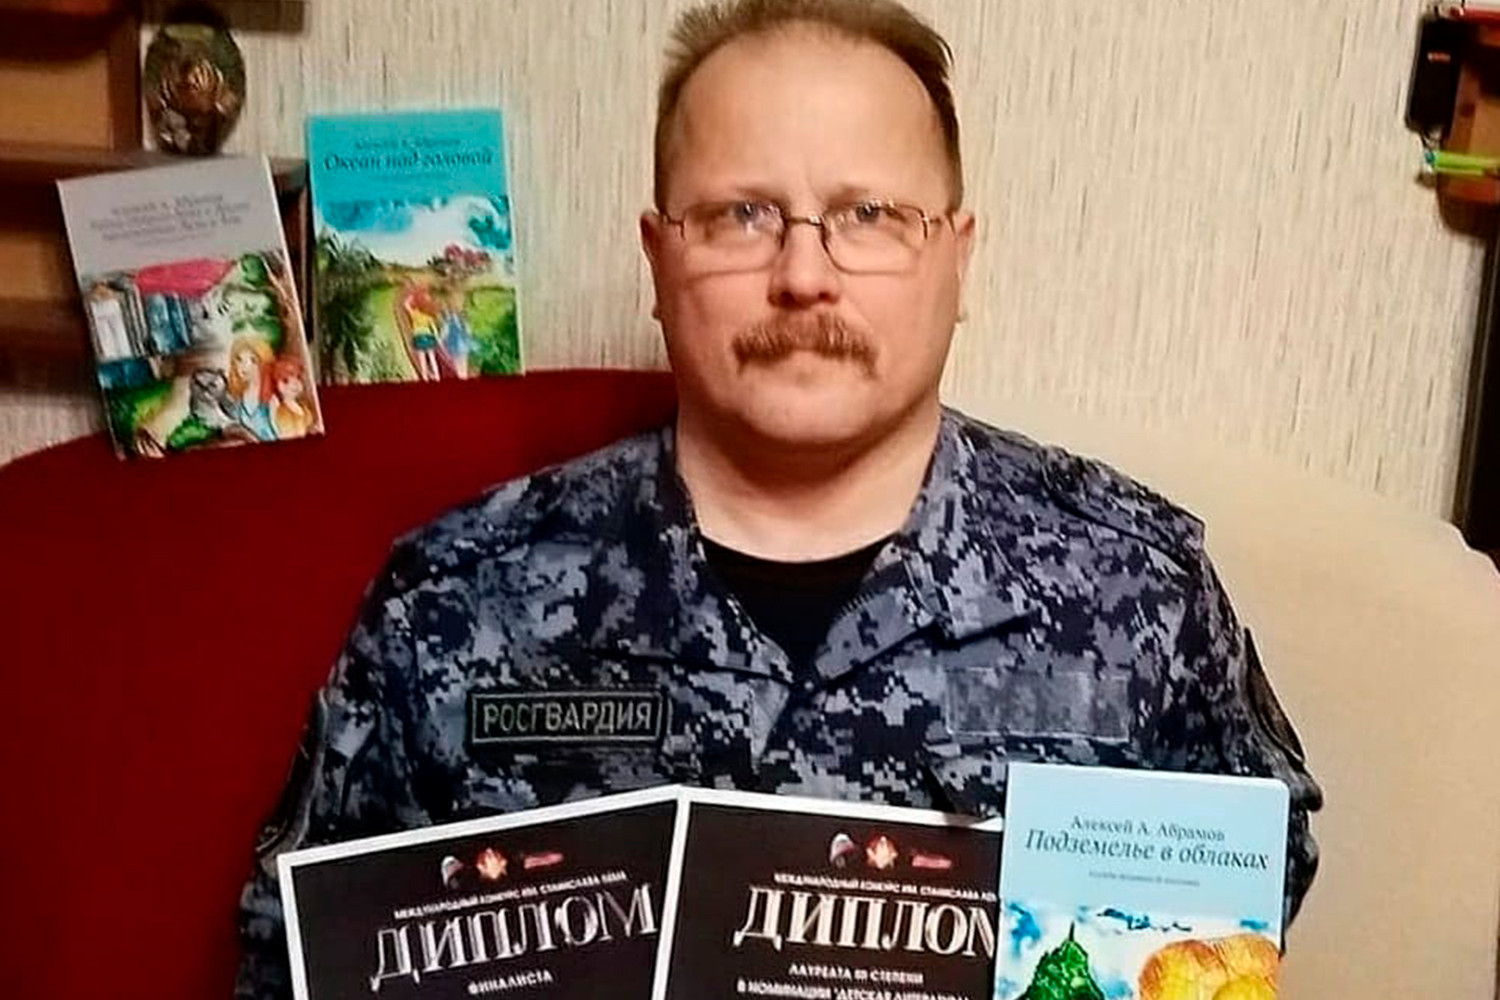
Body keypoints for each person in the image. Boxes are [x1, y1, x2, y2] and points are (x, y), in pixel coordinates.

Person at [236, 1, 1320, 995]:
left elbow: (1242, 905)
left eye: (870, 214)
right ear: (660, 262)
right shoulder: (451, 603)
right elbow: (299, 953)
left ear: (957, 260)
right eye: (741, 215)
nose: (804, 276)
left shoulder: (1137, 591)